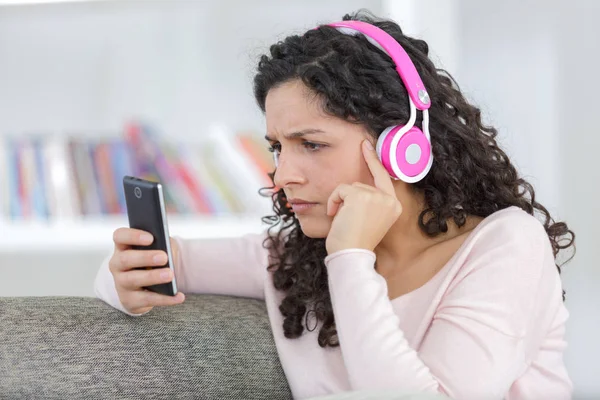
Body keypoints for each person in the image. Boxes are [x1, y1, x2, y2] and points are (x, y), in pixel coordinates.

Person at [94, 10, 576, 400]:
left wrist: (350, 258)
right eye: (278, 147)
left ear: (401, 146)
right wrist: (122, 280)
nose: (283, 175)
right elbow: (157, 264)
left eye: (312, 144)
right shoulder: (292, 259)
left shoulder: (505, 246)